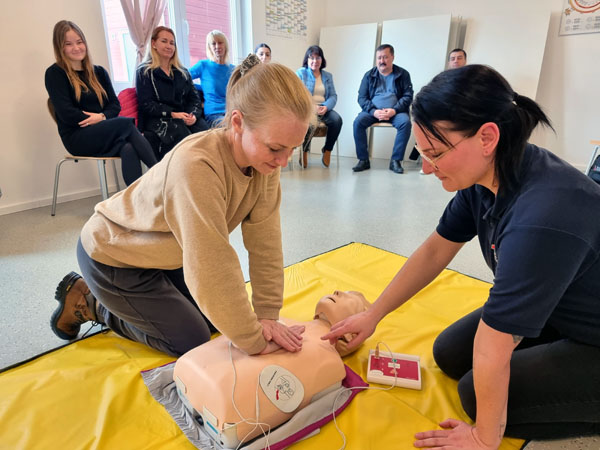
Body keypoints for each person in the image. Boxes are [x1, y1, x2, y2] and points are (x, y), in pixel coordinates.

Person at [324, 65, 600, 448]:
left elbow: (494, 344)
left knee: (476, 396)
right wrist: (373, 315)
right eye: (421, 152)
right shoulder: (489, 175)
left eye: (435, 153)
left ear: (487, 137)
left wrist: (484, 438)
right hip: (562, 307)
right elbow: (436, 249)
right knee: (450, 353)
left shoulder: (543, 217)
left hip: (593, 338)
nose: (426, 166)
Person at [50, 55, 317, 360]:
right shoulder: (197, 167)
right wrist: (254, 341)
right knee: (193, 339)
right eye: (275, 148)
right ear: (238, 123)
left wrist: (267, 314)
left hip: (162, 255)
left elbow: (266, 242)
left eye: (292, 149)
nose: (284, 160)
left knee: (214, 319)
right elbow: (211, 264)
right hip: (112, 256)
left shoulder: (266, 163)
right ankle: (94, 305)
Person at [174, 290, 370, 446]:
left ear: (352, 336)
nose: (337, 292)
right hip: (205, 384)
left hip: (212, 395)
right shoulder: (280, 321)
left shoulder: (331, 364)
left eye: (349, 297)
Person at [45, 20, 157, 185]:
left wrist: (102, 117)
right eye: (68, 44)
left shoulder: (99, 72)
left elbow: (114, 105)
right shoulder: (55, 73)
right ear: (60, 47)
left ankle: (136, 202)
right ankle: (160, 175)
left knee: (129, 148)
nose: (76, 48)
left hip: (105, 132)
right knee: (125, 124)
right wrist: (100, 119)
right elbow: (66, 113)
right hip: (77, 136)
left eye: (79, 42)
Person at [136, 26, 207, 161]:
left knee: (206, 134)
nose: (169, 46)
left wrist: (193, 115)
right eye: (164, 41)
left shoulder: (183, 72)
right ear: (153, 44)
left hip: (184, 116)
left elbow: (195, 99)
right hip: (158, 119)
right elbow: (146, 104)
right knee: (183, 136)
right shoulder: (144, 71)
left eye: (172, 43)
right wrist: (172, 114)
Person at [352, 44, 413, 174]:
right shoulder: (368, 75)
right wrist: (374, 111)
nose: (382, 61)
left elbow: (408, 96)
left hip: (396, 112)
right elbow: (362, 98)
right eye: (379, 58)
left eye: (385, 57)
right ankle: (363, 160)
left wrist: (394, 110)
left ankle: (395, 161)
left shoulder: (403, 74)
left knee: (405, 123)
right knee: (358, 122)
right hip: (373, 111)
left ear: (392, 57)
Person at [296, 45, 343, 168]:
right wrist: (312, 107)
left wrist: (326, 107)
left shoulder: (328, 76)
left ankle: (327, 150)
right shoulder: (301, 73)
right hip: (308, 109)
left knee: (337, 120)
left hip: (324, 108)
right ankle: (304, 151)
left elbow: (333, 95)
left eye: (318, 58)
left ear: (322, 60)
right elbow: (298, 95)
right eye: (312, 58)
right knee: (310, 122)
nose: (315, 61)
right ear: (307, 59)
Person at [189, 30, 235, 127]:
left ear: (225, 45)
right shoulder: (203, 65)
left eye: (220, 43)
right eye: (213, 44)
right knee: (232, 128)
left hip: (232, 111)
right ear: (209, 47)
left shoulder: (233, 69)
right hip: (214, 114)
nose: (217, 47)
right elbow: (183, 78)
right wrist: (202, 88)